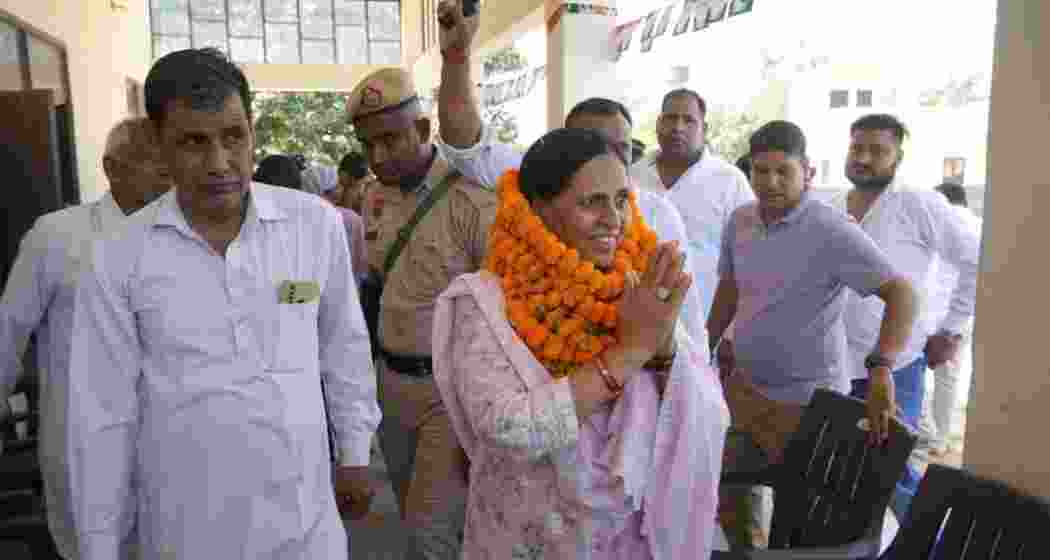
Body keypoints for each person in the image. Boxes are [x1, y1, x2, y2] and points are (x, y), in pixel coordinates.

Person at [65, 48, 380, 560]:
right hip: (187, 530)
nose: (219, 163)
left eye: (233, 136)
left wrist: (354, 451)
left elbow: (342, 343)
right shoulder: (119, 258)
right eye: (194, 142)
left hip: (305, 525)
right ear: (160, 145)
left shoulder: (312, 227)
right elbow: (101, 418)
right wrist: (100, 546)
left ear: (252, 131)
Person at [433, 127, 729, 559]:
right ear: (538, 209)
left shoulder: (635, 285)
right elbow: (505, 429)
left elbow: (710, 413)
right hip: (529, 539)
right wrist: (628, 354)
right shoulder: (483, 301)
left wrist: (665, 354)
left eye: (621, 200)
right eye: (592, 202)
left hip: (629, 539)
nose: (614, 218)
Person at [435, 0, 708, 354]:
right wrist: (456, 57)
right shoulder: (532, 183)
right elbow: (466, 143)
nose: (608, 161)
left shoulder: (657, 216)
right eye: (592, 147)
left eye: (620, 148)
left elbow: (688, 329)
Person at [707, 120, 917, 549]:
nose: (770, 182)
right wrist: (703, 357)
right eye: (760, 171)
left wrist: (881, 368)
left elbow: (902, 294)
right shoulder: (740, 220)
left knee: (800, 527)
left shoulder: (829, 227)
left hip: (811, 407)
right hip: (744, 397)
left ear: (808, 172)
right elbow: (729, 291)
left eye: (783, 171)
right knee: (727, 498)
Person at [0, 117, 171, 560]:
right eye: (158, 165)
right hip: (84, 437)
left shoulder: (184, 237)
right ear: (113, 168)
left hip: (171, 437)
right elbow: (10, 328)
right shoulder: (56, 236)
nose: (170, 177)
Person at [349, 65, 496, 560]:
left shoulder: (472, 199)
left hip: (446, 393)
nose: (378, 156)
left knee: (430, 534)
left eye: (390, 140)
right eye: (368, 144)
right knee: (413, 516)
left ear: (423, 129)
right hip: (389, 385)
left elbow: (502, 306)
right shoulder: (372, 197)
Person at [827, 114, 980, 520]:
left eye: (877, 150)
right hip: (835, 364)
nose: (864, 157)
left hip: (896, 365)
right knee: (839, 474)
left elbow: (975, 258)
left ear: (898, 157)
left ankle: (926, 546)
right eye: (857, 147)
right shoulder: (831, 208)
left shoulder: (919, 204)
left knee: (889, 470)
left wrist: (951, 329)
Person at [631, 88, 754, 324]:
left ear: (704, 129)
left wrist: (732, 331)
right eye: (670, 118)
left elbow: (750, 260)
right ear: (658, 124)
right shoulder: (632, 177)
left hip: (707, 324)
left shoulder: (730, 181)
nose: (678, 127)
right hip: (638, 324)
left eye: (688, 120)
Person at [918, 182, 982, 457]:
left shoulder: (943, 221)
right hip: (967, 315)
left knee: (916, 372)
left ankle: (924, 434)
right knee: (949, 379)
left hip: (938, 315)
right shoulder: (980, 224)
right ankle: (941, 438)